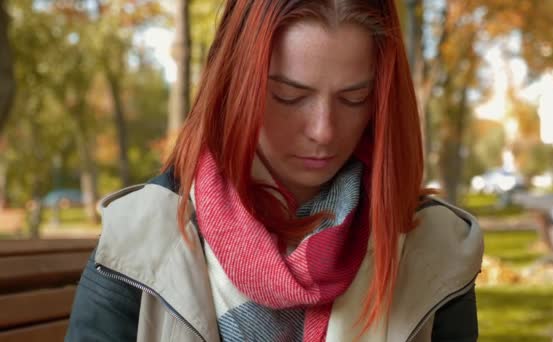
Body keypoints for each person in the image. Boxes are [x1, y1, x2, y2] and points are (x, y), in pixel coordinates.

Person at [65, 1, 483, 341]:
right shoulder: (140, 242)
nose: (323, 130)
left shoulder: (433, 248)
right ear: (234, 85)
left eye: (354, 99)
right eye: (289, 96)